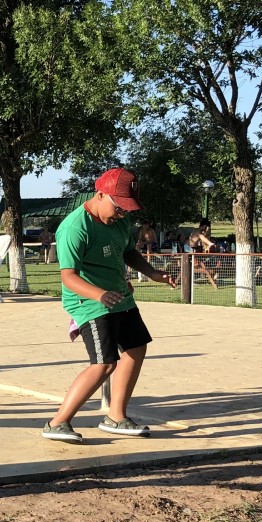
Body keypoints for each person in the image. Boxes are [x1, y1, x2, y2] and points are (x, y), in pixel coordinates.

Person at [43, 168, 176, 443]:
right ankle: (57, 422)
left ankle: (116, 416)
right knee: (104, 364)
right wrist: (99, 294)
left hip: (120, 297)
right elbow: (68, 277)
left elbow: (128, 252)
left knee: (136, 348)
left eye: (127, 209)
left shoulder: (119, 223)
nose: (122, 214)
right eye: (119, 207)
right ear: (100, 194)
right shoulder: (74, 228)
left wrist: (152, 273)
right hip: (89, 303)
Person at [187, 219, 220, 288]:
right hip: (190, 250)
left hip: (194, 250)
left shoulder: (197, 231)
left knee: (203, 263)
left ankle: (211, 275)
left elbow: (203, 239)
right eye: (207, 228)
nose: (207, 230)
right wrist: (210, 243)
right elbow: (202, 237)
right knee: (198, 266)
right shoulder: (198, 232)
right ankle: (209, 275)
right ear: (204, 226)